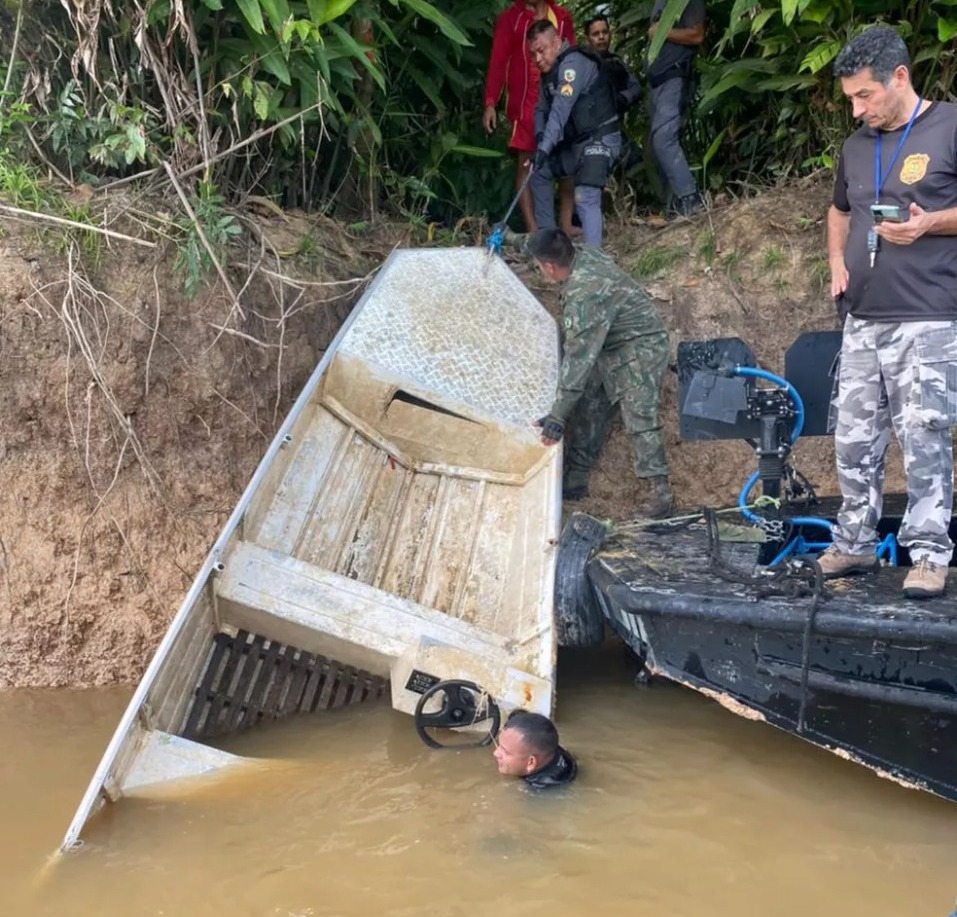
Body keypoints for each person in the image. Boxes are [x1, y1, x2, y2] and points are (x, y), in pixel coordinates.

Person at [824, 25, 957, 599]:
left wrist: (931, 223)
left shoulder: (950, 126)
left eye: (865, 96)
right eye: (851, 98)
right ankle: (853, 543)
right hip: (862, 320)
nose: (857, 109)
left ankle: (928, 554)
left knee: (924, 437)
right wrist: (836, 261)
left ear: (899, 77)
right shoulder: (856, 146)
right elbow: (837, 211)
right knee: (853, 439)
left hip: (928, 318)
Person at [488, 225, 672, 516]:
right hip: (610, 342)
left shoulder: (584, 296)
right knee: (591, 403)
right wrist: (510, 238)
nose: (539, 269)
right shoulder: (579, 254)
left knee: (638, 414)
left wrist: (557, 417)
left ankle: (659, 493)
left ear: (549, 268)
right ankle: (575, 480)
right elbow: (540, 244)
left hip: (641, 345)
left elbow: (578, 361)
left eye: (538, 267)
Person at [483, 0, 577, 234]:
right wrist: (490, 102)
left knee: (567, 162)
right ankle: (533, 228)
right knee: (526, 163)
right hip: (526, 103)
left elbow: (572, 54)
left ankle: (565, 223)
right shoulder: (510, 19)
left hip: (559, 98)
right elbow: (498, 60)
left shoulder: (561, 16)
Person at [526, 20, 621, 247]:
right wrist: (540, 139)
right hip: (576, 146)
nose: (537, 59)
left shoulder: (572, 64)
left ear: (557, 42)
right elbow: (541, 109)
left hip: (600, 139)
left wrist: (544, 149)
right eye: (533, 54)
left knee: (586, 195)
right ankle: (551, 249)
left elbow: (560, 110)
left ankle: (594, 262)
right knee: (538, 172)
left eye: (541, 51)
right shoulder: (549, 71)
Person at [646, 0, 705, 217]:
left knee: (664, 139)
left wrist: (661, 31)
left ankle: (690, 199)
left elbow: (697, 34)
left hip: (674, 76)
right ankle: (674, 207)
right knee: (655, 145)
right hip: (657, 81)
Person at [493, 710, 577, 787]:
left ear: (531, 762)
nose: (495, 753)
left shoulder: (541, 789)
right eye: (499, 745)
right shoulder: (549, 749)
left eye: (506, 752)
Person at [583, 14, 642, 119]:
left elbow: (636, 87)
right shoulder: (580, 64)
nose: (601, 37)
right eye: (596, 34)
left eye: (604, 32)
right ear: (588, 38)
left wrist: (622, 98)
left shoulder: (617, 62)